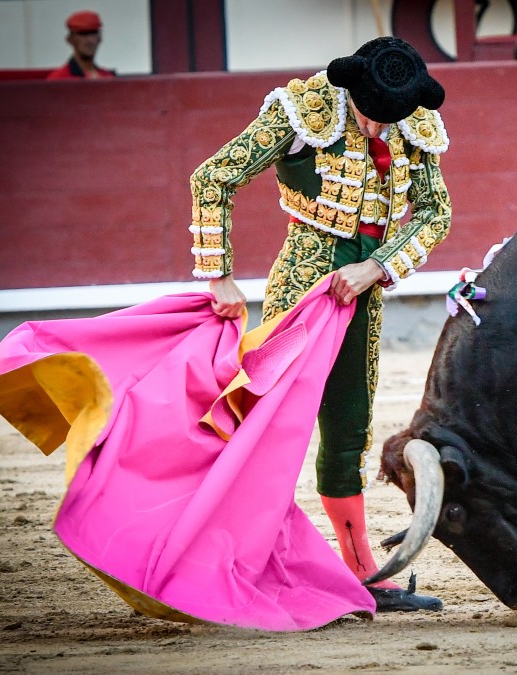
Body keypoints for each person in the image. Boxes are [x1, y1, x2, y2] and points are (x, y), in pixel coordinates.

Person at [190, 36, 452, 612]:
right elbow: (212, 178)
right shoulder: (303, 110)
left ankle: (363, 575)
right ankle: (233, 562)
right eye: (369, 114)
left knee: (348, 431)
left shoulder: (413, 120)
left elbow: (437, 213)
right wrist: (219, 276)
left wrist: (376, 267)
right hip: (300, 290)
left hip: (363, 295)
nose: (378, 128)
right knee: (268, 430)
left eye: (389, 120)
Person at [47, 10, 115, 80]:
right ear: (70, 39)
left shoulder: (108, 77)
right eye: (83, 34)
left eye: (93, 33)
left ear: (100, 39)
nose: (89, 39)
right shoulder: (59, 79)